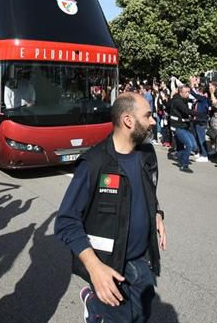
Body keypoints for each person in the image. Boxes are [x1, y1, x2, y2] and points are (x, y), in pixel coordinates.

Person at [55, 92, 166, 323]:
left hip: (141, 262)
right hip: (109, 269)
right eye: (148, 116)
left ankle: (93, 305)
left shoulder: (147, 154)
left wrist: (156, 213)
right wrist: (95, 269)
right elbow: (66, 221)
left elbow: (149, 191)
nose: (153, 121)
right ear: (128, 120)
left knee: (143, 316)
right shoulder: (94, 164)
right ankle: (95, 307)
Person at [170, 85, 196, 172]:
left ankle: (179, 156)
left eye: (189, 92)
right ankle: (184, 165)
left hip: (185, 126)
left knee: (194, 146)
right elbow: (186, 111)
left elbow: (189, 101)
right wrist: (199, 114)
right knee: (189, 145)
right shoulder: (177, 101)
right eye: (186, 92)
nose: (188, 94)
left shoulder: (184, 99)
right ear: (180, 93)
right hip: (178, 127)